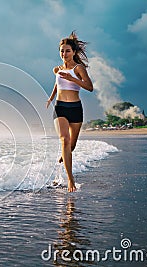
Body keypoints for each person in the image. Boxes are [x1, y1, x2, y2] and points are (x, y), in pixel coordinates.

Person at [46, 31, 93, 192]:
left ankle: (64, 154)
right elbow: (57, 84)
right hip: (60, 108)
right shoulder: (57, 69)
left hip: (75, 108)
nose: (64, 54)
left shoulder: (79, 68)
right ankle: (70, 180)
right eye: (62, 51)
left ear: (73, 52)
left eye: (67, 51)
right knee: (65, 140)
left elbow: (89, 87)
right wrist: (51, 98)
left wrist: (73, 79)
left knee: (71, 145)